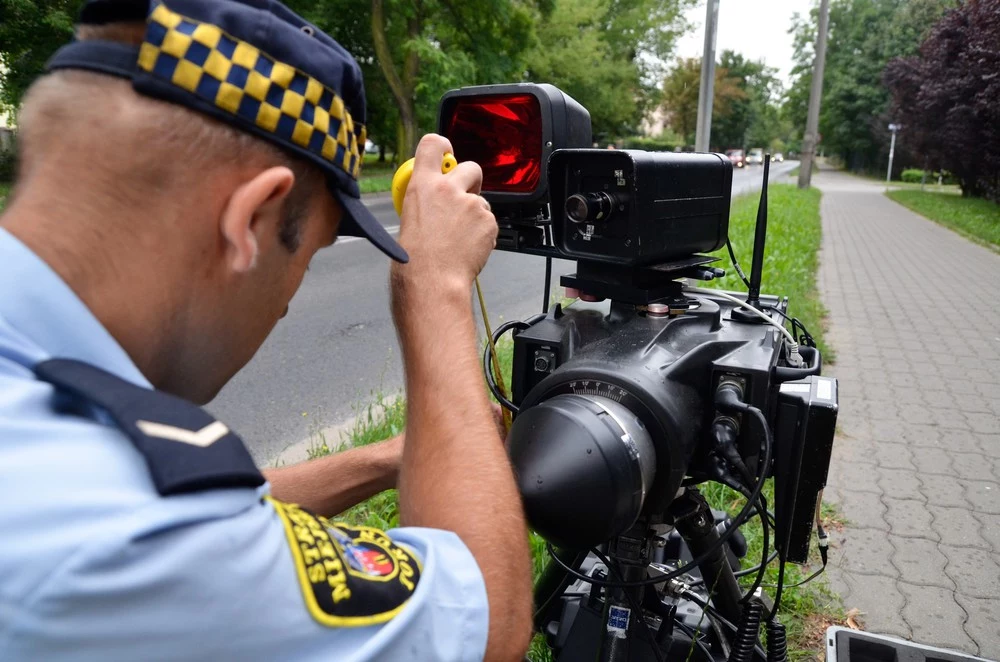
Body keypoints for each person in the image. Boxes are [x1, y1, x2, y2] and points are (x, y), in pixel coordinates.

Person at [0, 1, 532, 660]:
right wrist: (436, 287)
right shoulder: (126, 537)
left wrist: (392, 458)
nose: (284, 307)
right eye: (303, 260)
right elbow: (485, 620)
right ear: (250, 221)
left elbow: (198, 501)